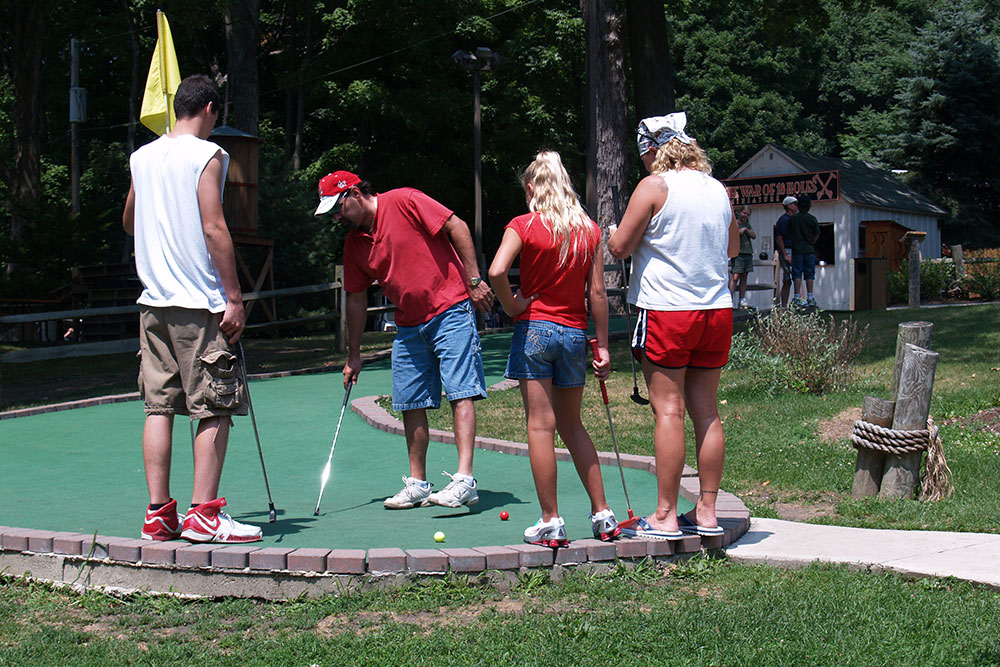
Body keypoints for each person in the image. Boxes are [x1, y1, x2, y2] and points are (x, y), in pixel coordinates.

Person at [123, 74, 262, 544]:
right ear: (208, 109)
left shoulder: (141, 157)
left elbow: (128, 219)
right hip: (198, 303)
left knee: (158, 407)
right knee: (214, 406)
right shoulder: (210, 155)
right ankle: (204, 515)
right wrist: (235, 298)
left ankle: (158, 516)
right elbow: (214, 228)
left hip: (152, 304)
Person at [316, 170, 493, 509]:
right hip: (409, 325)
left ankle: (465, 480)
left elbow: (457, 226)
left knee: (461, 391)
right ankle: (418, 484)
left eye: (338, 208)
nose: (336, 217)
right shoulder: (354, 244)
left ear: (354, 193)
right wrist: (354, 355)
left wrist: (473, 279)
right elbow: (355, 298)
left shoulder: (405, 200)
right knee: (410, 401)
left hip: (451, 307)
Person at [608, 112, 739, 540]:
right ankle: (706, 510)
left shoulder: (654, 186)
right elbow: (732, 245)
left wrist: (619, 230)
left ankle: (664, 516)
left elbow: (619, 246)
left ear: (652, 150)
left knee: (669, 410)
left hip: (667, 311)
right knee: (707, 411)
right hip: (716, 311)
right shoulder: (717, 189)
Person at [488, 151, 619, 546]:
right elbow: (597, 292)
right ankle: (603, 514)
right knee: (573, 424)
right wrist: (604, 346)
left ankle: (551, 520)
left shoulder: (523, 225)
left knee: (540, 426)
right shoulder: (589, 229)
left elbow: (495, 271)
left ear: (532, 188)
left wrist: (512, 306)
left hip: (535, 331)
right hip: (575, 335)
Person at [787, 193, 820, 309]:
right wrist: (810, 242)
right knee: (809, 274)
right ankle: (810, 297)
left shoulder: (793, 219)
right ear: (809, 206)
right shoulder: (812, 219)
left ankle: (797, 297)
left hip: (797, 249)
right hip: (809, 249)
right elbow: (817, 235)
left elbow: (789, 233)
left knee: (797, 273)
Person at [773, 196, 798, 307]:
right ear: (788, 205)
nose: (796, 206)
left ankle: (798, 301)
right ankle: (783, 306)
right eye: (794, 203)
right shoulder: (784, 220)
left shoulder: (795, 219)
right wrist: (785, 254)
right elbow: (779, 238)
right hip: (787, 250)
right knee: (787, 279)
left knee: (797, 277)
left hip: (796, 250)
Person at [729, 206, 756, 309]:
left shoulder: (747, 225)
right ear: (740, 212)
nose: (745, 216)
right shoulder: (735, 223)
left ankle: (742, 300)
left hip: (747, 252)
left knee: (744, 276)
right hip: (738, 253)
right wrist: (739, 231)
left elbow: (754, 235)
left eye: (748, 214)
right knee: (735, 276)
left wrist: (746, 230)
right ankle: (730, 300)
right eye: (744, 213)